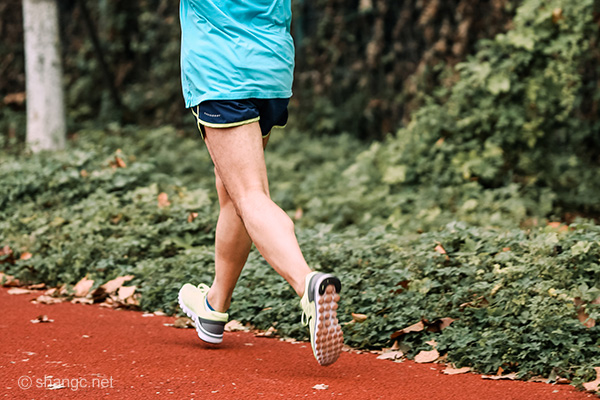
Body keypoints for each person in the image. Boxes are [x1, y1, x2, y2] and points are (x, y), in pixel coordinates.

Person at [176, 0, 343, 366]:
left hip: (221, 72)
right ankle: (214, 307)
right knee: (232, 189)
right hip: (271, 72)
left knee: (250, 194)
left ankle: (308, 284)